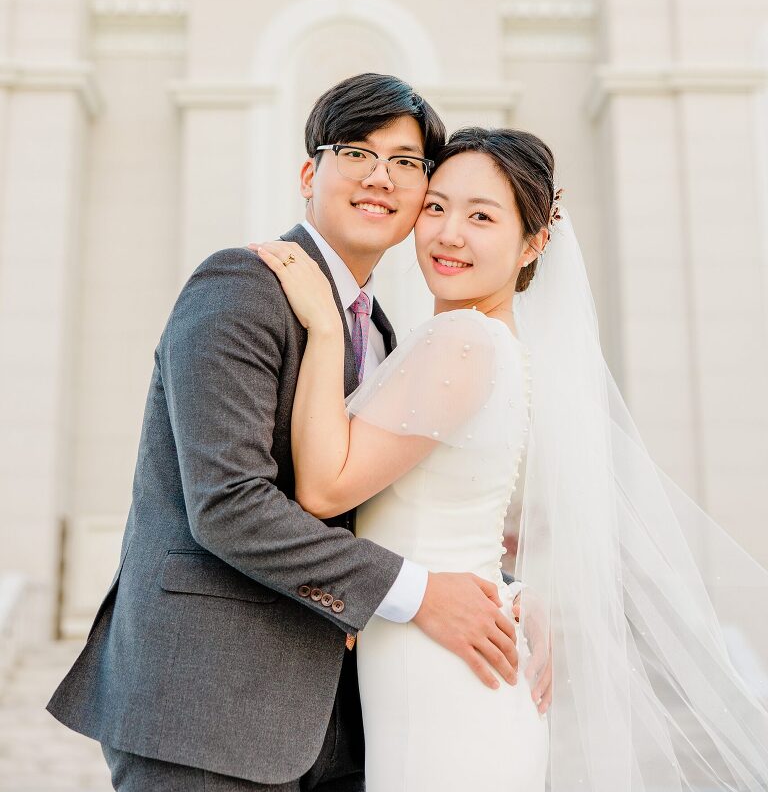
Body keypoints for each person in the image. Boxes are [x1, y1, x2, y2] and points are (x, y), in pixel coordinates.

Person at [47, 74, 547, 792]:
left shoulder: (381, 332)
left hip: (345, 723)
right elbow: (228, 502)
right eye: (358, 152)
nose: (382, 177)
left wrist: (507, 593)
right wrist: (421, 592)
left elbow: (391, 506)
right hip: (210, 710)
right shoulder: (242, 285)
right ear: (310, 173)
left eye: (408, 164)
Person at [256, 126, 768, 792]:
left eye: (481, 216)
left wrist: (324, 327)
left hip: (441, 670)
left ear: (533, 241)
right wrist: (513, 589)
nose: (448, 234)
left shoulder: (462, 341)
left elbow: (326, 490)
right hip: (452, 649)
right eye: (436, 206)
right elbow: (453, 508)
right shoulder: (496, 344)